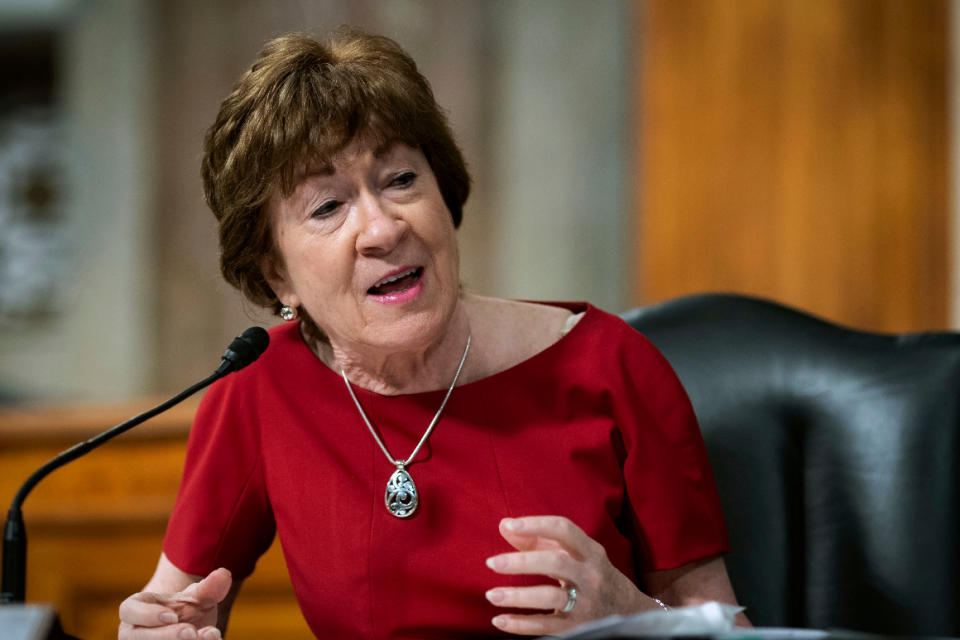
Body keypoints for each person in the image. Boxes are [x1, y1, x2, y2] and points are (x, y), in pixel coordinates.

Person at [117, 29, 747, 640]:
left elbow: (731, 630)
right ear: (277, 274)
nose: (382, 228)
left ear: (444, 196)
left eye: (400, 180)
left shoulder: (613, 365)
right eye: (327, 206)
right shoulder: (259, 391)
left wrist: (633, 615)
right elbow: (178, 609)